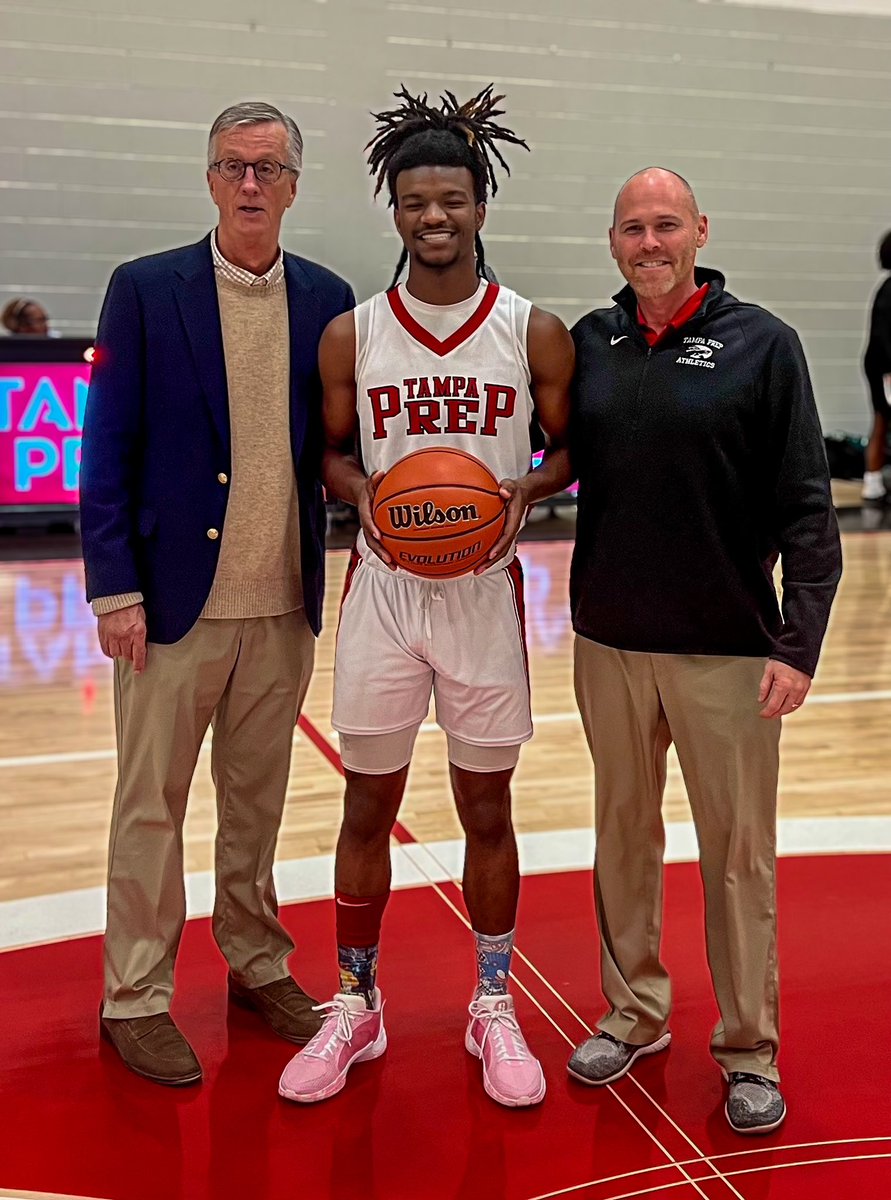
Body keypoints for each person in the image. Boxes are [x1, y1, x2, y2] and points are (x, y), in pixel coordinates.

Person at [278, 86, 574, 1108]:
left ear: (480, 208)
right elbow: (325, 452)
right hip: (386, 594)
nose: (434, 218)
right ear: (394, 211)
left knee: (486, 806)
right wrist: (367, 496)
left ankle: (494, 1004)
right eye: (415, 204)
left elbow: (568, 445)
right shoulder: (351, 336)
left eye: (452, 201)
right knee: (368, 801)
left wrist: (532, 487)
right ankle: (357, 1003)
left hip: (484, 593)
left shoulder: (533, 331)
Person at [79, 101, 355, 1086]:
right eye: (234, 167)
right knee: (149, 807)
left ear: (291, 185)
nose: (250, 184)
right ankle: (136, 994)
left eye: (268, 168)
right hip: (170, 603)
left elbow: (340, 447)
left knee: (257, 804)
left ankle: (256, 962)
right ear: (210, 180)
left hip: (279, 604)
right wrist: (114, 588)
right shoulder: (147, 290)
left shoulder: (329, 297)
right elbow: (104, 446)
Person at [566, 168, 842, 1135]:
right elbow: (545, 454)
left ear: (699, 233)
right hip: (607, 644)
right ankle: (634, 1012)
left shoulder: (764, 345)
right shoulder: (586, 344)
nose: (649, 242)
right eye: (632, 228)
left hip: (726, 648)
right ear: (611, 244)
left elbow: (807, 503)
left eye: (666, 225)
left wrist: (796, 642)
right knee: (622, 844)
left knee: (737, 861)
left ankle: (747, 1047)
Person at [860, 230, 891, 501]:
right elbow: (884, 335)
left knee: (882, 419)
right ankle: (872, 482)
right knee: (882, 420)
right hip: (885, 368)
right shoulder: (889, 290)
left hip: (881, 365)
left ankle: (874, 482)